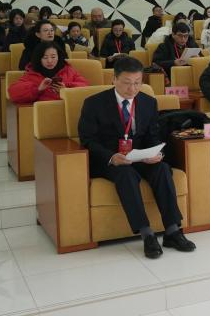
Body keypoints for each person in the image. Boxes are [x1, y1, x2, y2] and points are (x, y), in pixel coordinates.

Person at [77, 56, 195, 258]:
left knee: (162, 169)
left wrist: (155, 153)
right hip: (109, 160)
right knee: (126, 174)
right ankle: (147, 233)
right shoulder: (94, 103)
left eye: (137, 83)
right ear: (114, 79)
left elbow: (153, 136)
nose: (132, 89)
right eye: (126, 83)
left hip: (139, 156)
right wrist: (111, 156)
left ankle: (172, 230)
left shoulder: (148, 102)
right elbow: (87, 140)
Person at [9, 42, 89, 103]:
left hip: (68, 110)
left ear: (58, 57)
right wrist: (38, 89)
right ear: (39, 59)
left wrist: (66, 89)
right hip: (45, 113)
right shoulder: (32, 73)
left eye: (53, 57)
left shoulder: (68, 70)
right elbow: (13, 93)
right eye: (45, 57)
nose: (49, 61)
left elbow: (85, 86)